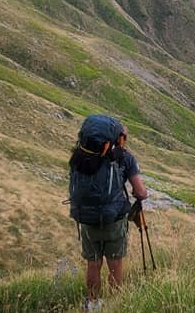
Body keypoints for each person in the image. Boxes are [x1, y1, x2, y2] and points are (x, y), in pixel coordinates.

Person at [68, 115, 147, 311]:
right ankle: (114, 305)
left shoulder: (79, 156)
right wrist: (140, 194)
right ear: (117, 138)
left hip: (86, 219)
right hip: (114, 220)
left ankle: (93, 303)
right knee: (115, 264)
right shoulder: (125, 158)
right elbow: (140, 192)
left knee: (93, 264)